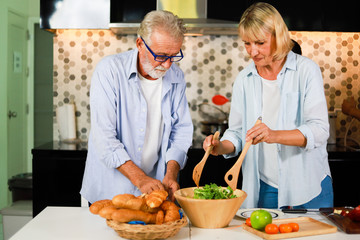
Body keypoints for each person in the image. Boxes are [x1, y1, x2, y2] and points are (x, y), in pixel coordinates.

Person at [203, 2, 333, 209]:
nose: (252, 51)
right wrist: (219, 147)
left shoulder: (306, 71)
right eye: (247, 43)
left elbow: (319, 130)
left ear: (278, 36)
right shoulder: (244, 79)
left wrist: (273, 135)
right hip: (264, 188)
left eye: (260, 42)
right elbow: (237, 133)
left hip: (308, 186)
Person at [80, 10, 193, 204]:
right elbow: (105, 138)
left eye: (173, 56)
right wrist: (140, 179)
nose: (167, 66)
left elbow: (181, 131)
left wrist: (171, 173)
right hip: (109, 194)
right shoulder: (109, 71)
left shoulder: (176, 76)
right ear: (140, 44)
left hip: (153, 194)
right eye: (161, 55)